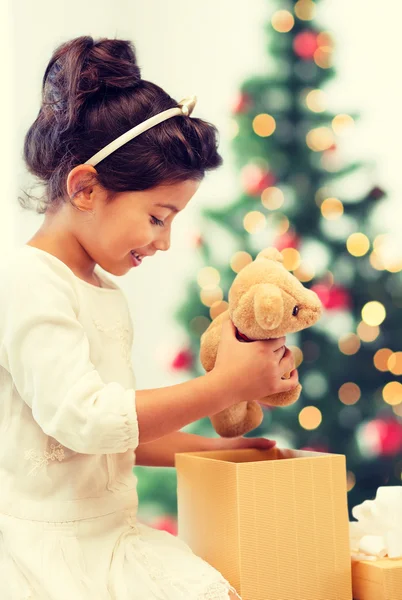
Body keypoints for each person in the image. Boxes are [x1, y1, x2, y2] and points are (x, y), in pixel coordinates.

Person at [0, 36, 298, 599]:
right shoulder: (28, 281)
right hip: (49, 555)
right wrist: (226, 385)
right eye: (159, 217)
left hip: (110, 540)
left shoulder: (104, 292)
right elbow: (87, 420)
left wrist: (212, 450)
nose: (164, 241)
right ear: (85, 187)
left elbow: (113, 438)